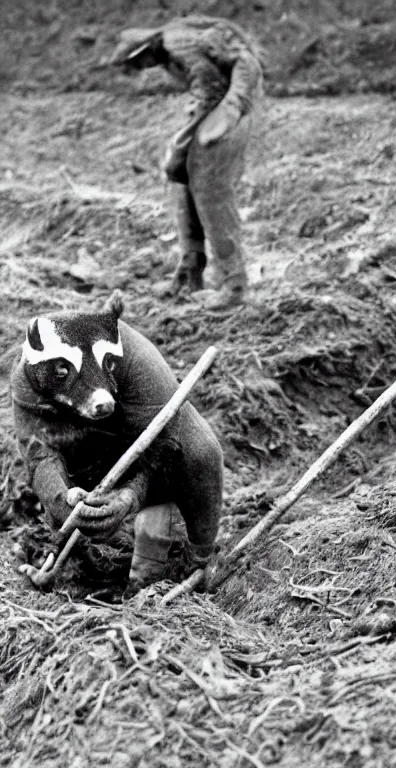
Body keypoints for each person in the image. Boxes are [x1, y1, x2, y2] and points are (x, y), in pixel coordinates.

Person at [11, 292, 223, 596]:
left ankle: (197, 559)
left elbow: (165, 445)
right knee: (59, 488)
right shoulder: (29, 377)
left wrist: (131, 496)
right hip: (90, 448)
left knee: (199, 452)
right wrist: (64, 501)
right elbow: (40, 455)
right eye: (63, 373)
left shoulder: (138, 362)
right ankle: (72, 558)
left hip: (152, 447)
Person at [109, 16, 264, 310]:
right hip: (215, 106)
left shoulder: (177, 43)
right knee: (181, 177)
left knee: (210, 186)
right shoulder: (169, 50)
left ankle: (235, 284)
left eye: (138, 65)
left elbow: (211, 86)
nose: (143, 70)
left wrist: (187, 135)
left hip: (230, 108)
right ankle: (190, 271)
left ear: (142, 52)